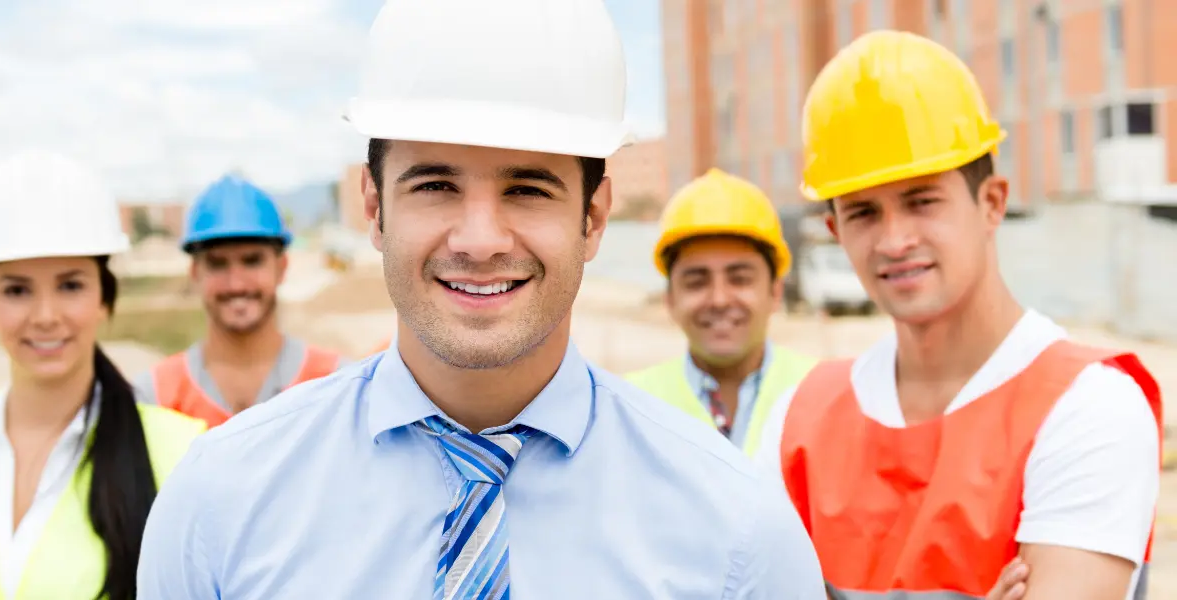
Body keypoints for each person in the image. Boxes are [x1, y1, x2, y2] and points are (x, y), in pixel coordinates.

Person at [134, 1, 825, 598]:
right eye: (435, 186)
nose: (480, 239)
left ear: (593, 217)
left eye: (527, 189)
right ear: (374, 208)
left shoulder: (738, 531)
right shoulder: (220, 502)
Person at [751, 30, 1162, 600]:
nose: (894, 239)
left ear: (991, 202)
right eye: (864, 212)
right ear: (834, 232)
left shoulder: (1090, 407)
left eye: (922, 201)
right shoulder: (798, 418)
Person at [0, 150, 207, 600]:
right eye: (16, 290)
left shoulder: (183, 455)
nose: (45, 316)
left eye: (70, 285)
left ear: (104, 299)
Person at [131, 174, 347, 428]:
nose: (236, 284)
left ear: (282, 267)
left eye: (252, 260)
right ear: (195, 273)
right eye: (217, 263)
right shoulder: (155, 397)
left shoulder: (336, 385)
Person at [625, 168, 816, 455]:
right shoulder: (630, 407)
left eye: (740, 279)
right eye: (696, 281)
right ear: (670, 299)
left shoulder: (821, 394)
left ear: (775, 292)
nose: (719, 300)